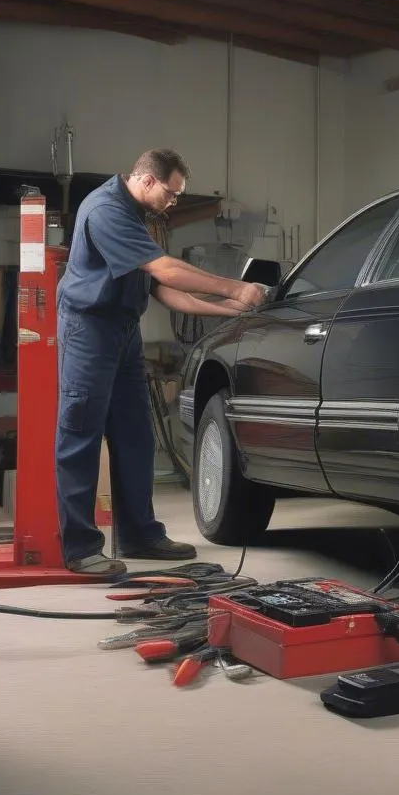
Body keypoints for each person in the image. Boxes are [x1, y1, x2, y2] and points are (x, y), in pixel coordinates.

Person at [56, 149, 268, 578]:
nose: (173, 202)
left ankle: (139, 535)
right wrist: (235, 288)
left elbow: (166, 291)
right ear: (148, 180)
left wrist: (231, 309)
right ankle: (80, 548)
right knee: (81, 436)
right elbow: (166, 270)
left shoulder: (136, 217)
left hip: (123, 332)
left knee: (136, 436)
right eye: (172, 193)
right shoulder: (106, 210)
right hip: (89, 331)